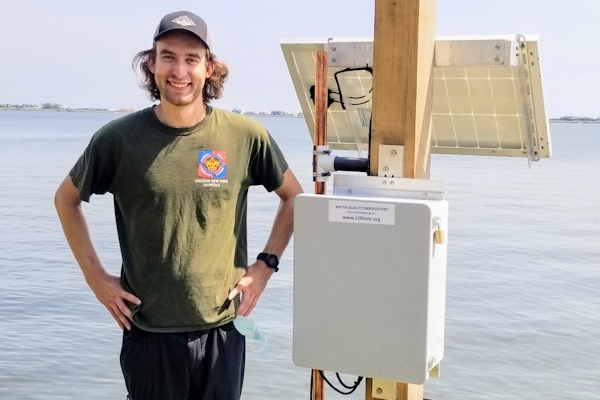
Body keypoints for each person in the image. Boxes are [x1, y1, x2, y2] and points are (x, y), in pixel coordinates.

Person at [54, 10, 303, 400]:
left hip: (223, 327)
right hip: (148, 331)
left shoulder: (244, 135)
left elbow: (293, 198)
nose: (179, 70)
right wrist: (96, 278)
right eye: (168, 56)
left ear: (209, 68)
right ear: (151, 64)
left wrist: (265, 266)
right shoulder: (118, 139)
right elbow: (67, 200)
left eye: (192, 59)